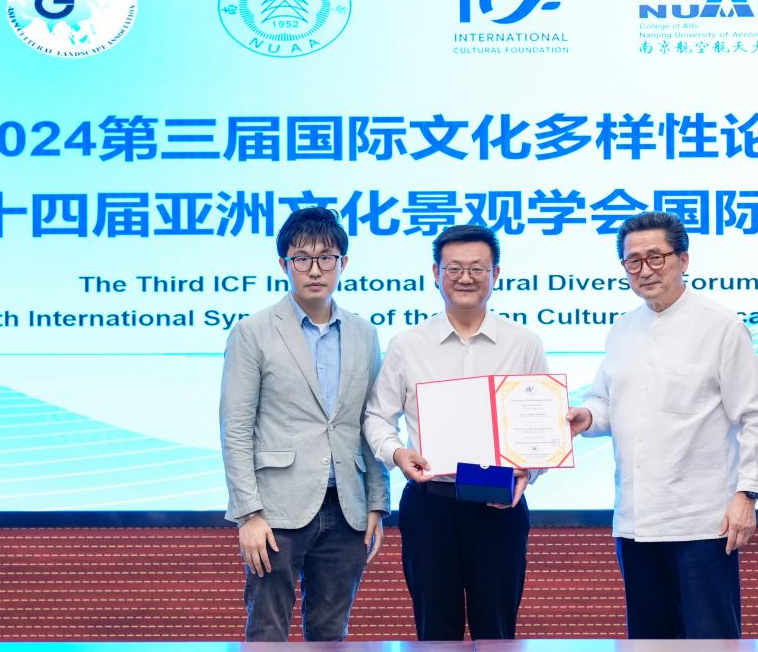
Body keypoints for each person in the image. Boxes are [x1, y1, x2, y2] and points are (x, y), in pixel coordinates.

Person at [567, 211, 758, 639]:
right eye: (633, 261)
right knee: (648, 641)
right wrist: (587, 417)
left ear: (683, 260)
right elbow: (606, 402)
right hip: (635, 523)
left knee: (711, 641)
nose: (645, 270)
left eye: (656, 257)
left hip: (702, 522)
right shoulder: (622, 330)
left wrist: (747, 494)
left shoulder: (720, 326)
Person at [363, 224, 548, 641]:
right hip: (431, 505)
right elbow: (377, 417)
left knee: (497, 633)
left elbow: (542, 423)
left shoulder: (523, 343)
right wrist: (398, 454)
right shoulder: (407, 344)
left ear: (495, 274)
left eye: (477, 268)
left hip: (499, 505)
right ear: (436, 272)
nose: (466, 278)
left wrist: (529, 471)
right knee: (435, 633)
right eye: (454, 268)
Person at [219, 207, 389, 641]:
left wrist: (376, 502)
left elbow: (370, 421)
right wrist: (248, 514)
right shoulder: (253, 331)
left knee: (331, 634)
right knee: (267, 631)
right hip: (275, 510)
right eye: (302, 258)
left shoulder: (364, 333)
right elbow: (235, 428)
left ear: (343, 263)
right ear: (284, 264)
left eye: (326, 258)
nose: (315, 270)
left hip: (347, 509)